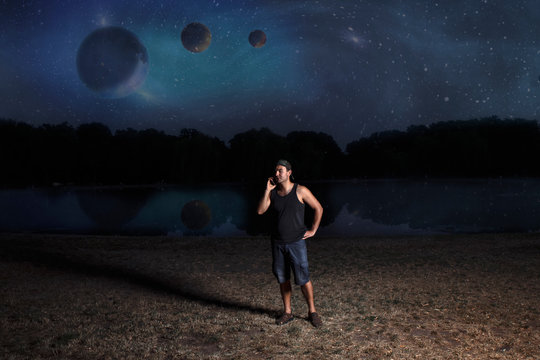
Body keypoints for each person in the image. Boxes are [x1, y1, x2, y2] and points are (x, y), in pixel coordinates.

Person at [257, 159, 324, 328]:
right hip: (278, 243)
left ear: (289, 173)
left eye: (280, 170)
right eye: (276, 171)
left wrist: (313, 230)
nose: (277, 173)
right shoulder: (273, 193)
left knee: (303, 279)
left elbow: (318, 208)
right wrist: (267, 190)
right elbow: (260, 211)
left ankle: (312, 312)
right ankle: (287, 312)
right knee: (283, 279)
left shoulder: (300, 190)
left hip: (296, 243)